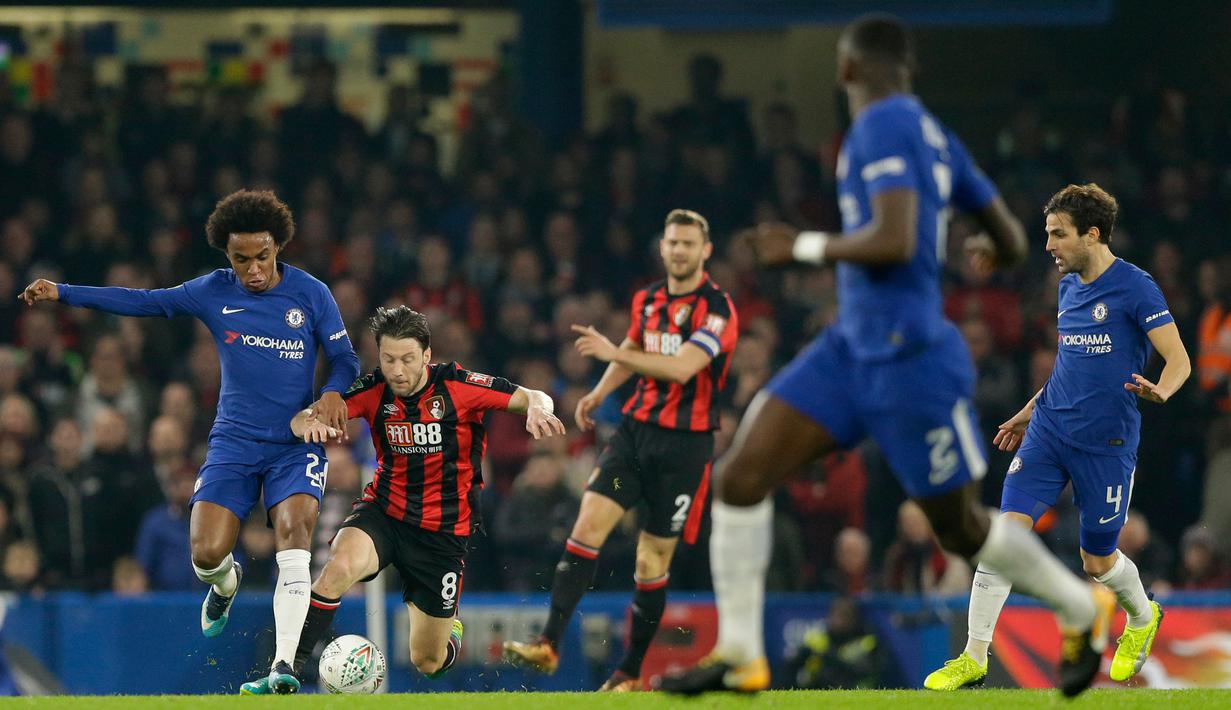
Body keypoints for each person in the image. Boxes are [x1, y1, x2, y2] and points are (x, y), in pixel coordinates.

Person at [659, 15, 1113, 698]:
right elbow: (1014, 238)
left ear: (847, 71)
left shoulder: (880, 125)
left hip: (910, 362)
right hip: (850, 350)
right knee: (738, 479)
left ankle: (1081, 609)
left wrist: (801, 247)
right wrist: (991, 253)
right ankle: (742, 654)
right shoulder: (934, 133)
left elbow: (896, 239)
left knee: (959, 529)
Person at [18, 189, 360, 693]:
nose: (254, 269)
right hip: (234, 443)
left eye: (262, 256)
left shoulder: (311, 294)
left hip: (295, 443)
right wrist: (63, 292)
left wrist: (331, 393)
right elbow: (144, 302)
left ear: (277, 247)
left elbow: (347, 361)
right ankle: (224, 583)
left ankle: (284, 665)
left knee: (295, 536)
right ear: (227, 255)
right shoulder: (212, 290)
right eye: (241, 259)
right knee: (204, 553)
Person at [926, 184, 1192, 689]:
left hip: (1107, 444)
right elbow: (1073, 366)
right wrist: (1030, 411)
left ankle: (1141, 617)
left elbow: (1179, 358)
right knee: (1006, 535)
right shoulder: (1067, 287)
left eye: (1057, 234)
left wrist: (1163, 389)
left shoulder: (1135, 287)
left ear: (1092, 235)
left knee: (1097, 560)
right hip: (1049, 431)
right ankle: (974, 655)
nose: (1048, 244)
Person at [240, 306, 564, 693]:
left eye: (407, 359)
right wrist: (308, 422)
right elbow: (305, 418)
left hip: (442, 534)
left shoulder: (458, 386)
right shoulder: (373, 390)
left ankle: (450, 632)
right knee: (335, 570)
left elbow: (533, 395)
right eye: (388, 359)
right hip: (385, 513)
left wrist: (537, 410)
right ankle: (285, 670)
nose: (397, 370)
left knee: (427, 661)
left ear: (427, 356)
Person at [503, 208, 739, 691]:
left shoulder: (717, 309)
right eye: (672, 242)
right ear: (664, 247)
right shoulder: (648, 299)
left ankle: (630, 671)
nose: (678, 251)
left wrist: (613, 354)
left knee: (651, 561)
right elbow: (635, 345)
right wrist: (601, 391)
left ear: (705, 251)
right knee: (586, 526)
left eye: (688, 244)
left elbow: (680, 369)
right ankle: (548, 643)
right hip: (634, 434)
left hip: (684, 448)